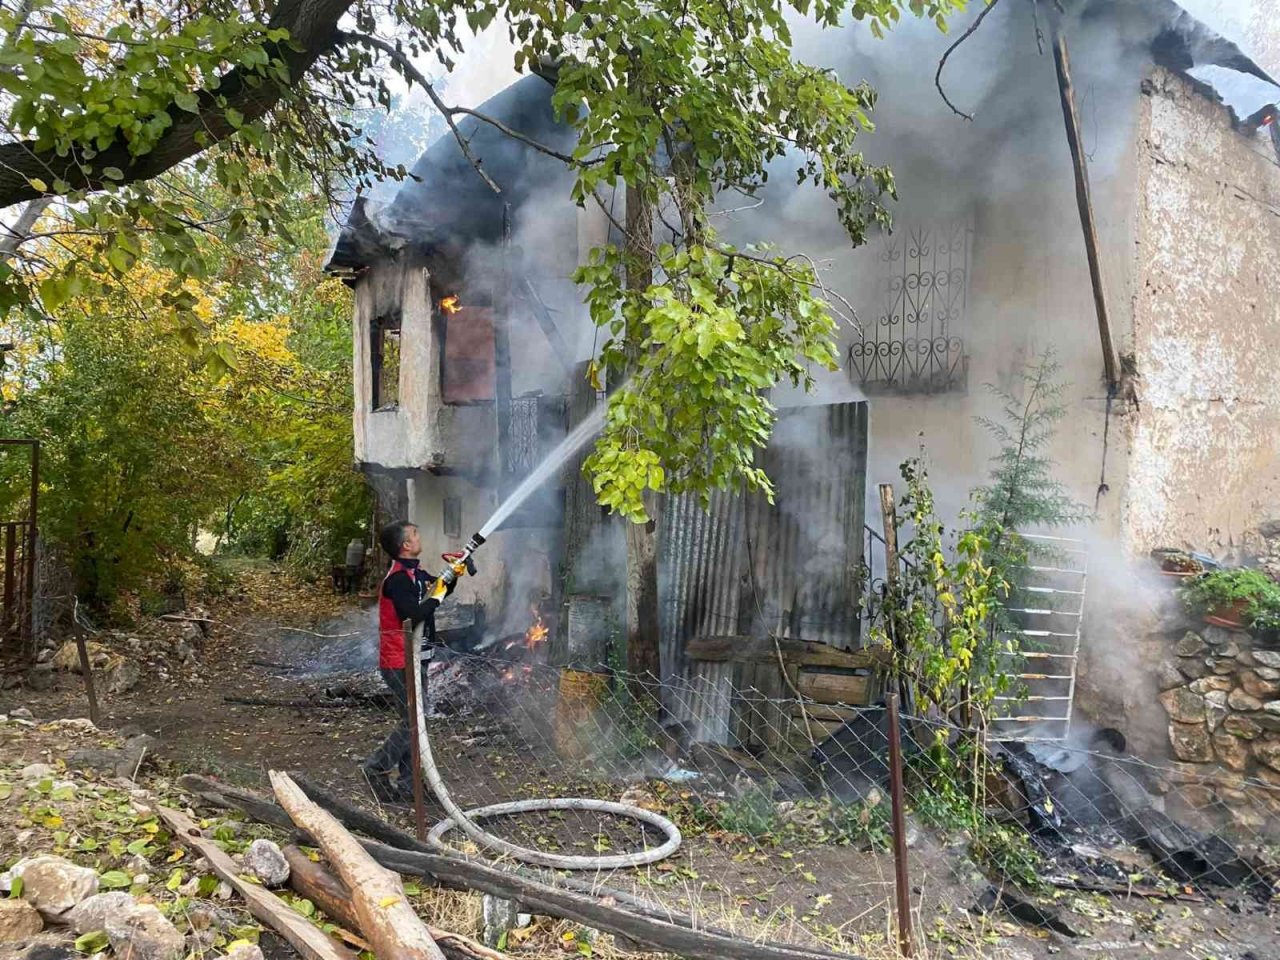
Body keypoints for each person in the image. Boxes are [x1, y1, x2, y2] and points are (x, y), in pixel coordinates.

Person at [362, 520, 470, 802]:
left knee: (415, 721)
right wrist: (437, 593)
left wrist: (453, 575)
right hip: (399, 662)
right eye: (415, 534)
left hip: (415, 659)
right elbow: (414, 613)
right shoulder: (398, 579)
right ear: (405, 546)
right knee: (412, 721)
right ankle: (376, 767)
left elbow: (438, 591)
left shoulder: (415, 573)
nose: (419, 536)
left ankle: (410, 786)